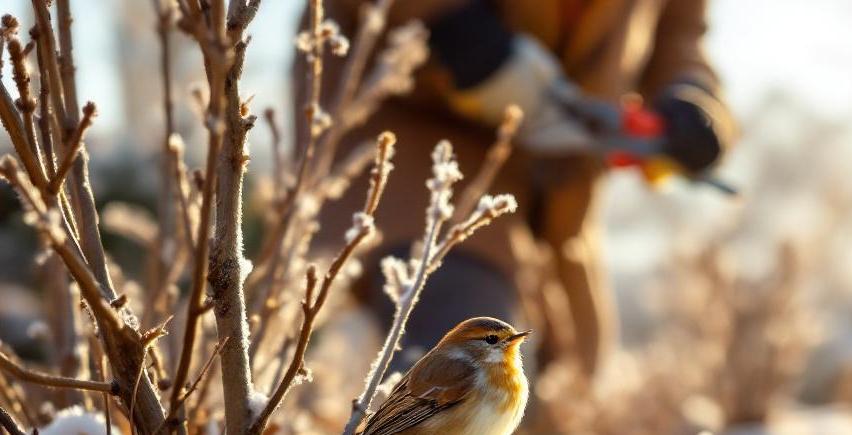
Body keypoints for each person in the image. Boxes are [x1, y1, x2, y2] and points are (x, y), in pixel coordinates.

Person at [307, 0, 735, 375]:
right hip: (416, 131)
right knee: (466, 339)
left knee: (568, 379)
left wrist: (691, 95)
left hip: (561, 179)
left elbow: (681, 30)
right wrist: (452, 22)